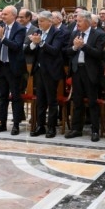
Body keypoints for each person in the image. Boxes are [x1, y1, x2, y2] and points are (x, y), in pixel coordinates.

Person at [64, 11, 105, 141]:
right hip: (77, 71)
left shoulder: (99, 35)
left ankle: (95, 130)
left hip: (91, 72)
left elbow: (99, 54)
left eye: (79, 21)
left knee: (93, 102)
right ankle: (76, 129)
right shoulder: (75, 33)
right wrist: (75, 48)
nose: (77, 24)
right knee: (77, 101)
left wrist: (83, 46)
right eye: (76, 21)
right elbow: (67, 52)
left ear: (88, 22)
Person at [28, 11, 66, 139]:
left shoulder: (58, 33)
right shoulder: (38, 32)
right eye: (38, 21)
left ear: (50, 21)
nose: (39, 23)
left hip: (51, 71)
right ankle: (40, 126)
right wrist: (33, 43)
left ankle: (51, 127)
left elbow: (55, 50)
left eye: (42, 21)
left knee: (51, 100)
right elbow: (29, 50)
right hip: (39, 70)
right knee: (40, 100)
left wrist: (41, 43)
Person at [0, 6, 27, 135]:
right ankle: (2, 122)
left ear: (13, 15)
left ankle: (16, 124)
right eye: (2, 14)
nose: (2, 16)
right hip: (2, 66)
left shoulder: (20, 29)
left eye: (5, 14)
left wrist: (3, 38)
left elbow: (16, 46)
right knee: (3, 97)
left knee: (16, 97)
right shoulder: (1, 26)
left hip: (13, 67)